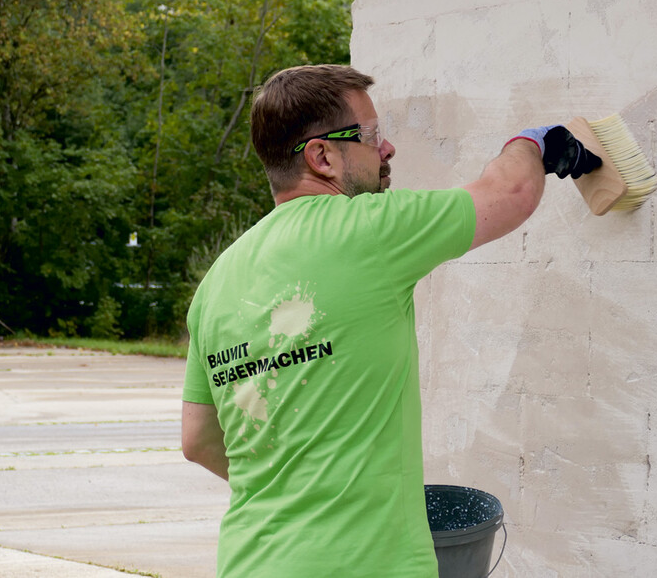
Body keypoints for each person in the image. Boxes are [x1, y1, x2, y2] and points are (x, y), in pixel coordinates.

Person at [181, 64, 600, 577]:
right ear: (322, 156)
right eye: (372, 136)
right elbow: (508, 194)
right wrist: (532, 142)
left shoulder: (216, 283)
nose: (387, 149)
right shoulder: (367, 232)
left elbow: (198, 440)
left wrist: (293, 488)